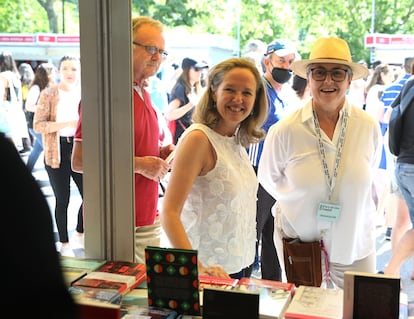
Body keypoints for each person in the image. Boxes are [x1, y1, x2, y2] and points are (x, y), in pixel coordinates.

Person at [258, 37, 381, 289]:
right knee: (305, 312)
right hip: (303, 246)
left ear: (349, 80)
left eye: (337, 73)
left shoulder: (368, 126)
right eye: (319, 73)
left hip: (355, 243)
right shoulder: (285, 130)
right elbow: (269, 179)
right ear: (309, 79)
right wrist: (303, 200)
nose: (328, 81)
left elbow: (368, 173)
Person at [71, 16, 174, 264]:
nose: (157, 57)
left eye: (161, 52)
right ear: (123, 46)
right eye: (150, 49)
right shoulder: (104, 96)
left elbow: (132, 148)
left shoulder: (143, 93)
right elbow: (80, 161)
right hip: (118, 222)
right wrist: (140, 164)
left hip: (145, 216)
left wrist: (159, 153)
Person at [161, 57, 268, 279]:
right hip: (207, 272)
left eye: (247, 93)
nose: (238, 99)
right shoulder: (198, 139)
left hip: (239, 266)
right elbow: (170, 212)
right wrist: (197, 269)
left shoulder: (235, 139)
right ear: (213, 93)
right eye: (230, 89)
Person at [0, 132, 79, 317]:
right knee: (62, 200)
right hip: (55, 155)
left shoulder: (5, 160)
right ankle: (65, 241)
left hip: (28, 297)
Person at [246, 39, 298, 281]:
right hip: (257, 171)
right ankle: (242, 282)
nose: (286, 67)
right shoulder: (259, 91)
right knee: (252, 230)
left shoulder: (284, 94)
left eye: (290, 62)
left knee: (272, 232)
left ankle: (272, 286)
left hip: (278, 174)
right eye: (281, 61)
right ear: (267, 61)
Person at [34, 55, 84, 258]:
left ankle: (80, 231)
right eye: (65, 69)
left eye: (73, 69)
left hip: (80, 149)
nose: (70, 73)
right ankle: (64, 242)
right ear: (59, 71)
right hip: (57, 150)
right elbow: (38, 125)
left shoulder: (85, 92)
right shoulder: (49, 93)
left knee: (90, 195)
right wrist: (67, 124)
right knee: (62, 199)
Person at [384, 76, 414, 282]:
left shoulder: (410, 84)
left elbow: (392, 116)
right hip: (410, 166)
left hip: (402, 164)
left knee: (405, 222)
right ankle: (389, 273)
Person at [364, 63, 395, 226]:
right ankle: (379, 211)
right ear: (382, 75)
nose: (392, 80)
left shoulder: (371, 90)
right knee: (380, 173)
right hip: (379, 130)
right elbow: (381, 115)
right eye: (390, 76)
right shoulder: (380, 90)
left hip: (371, 131)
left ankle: (377, 210)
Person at [166, 57, 208, 144]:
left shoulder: (195, 88)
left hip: (190, 135)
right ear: (187, 70)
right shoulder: (181, 88)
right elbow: (170, 115)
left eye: (201, 69)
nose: (200, 72)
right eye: (196, 69)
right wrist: (190, 105)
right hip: (181, 136)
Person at [25, 63, 57, 172]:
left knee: (37, 149)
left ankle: (27, 170)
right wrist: (44, 108)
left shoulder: (48, 87)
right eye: (52, 72)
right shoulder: (36, 88)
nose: (54, 74)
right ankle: (53, 172)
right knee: (49, 149)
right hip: (36, 124)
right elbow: (29, 106)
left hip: (42, 124)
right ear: (46, 74)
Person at [0, 51, 31, 153]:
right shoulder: (16, 76)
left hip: (5, 111)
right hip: (15, 110)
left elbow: (2, 95)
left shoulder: (3, 76)